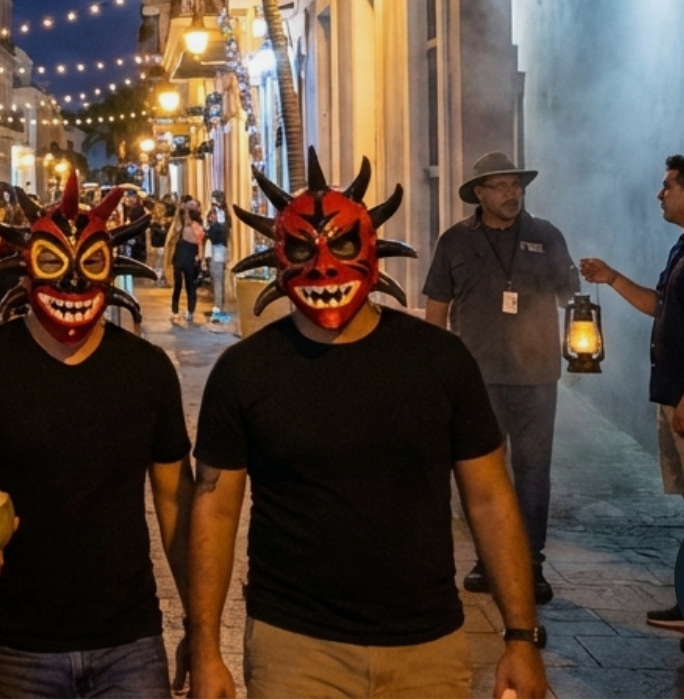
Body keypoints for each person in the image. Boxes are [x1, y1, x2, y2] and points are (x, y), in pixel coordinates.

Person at [189, 152, 547, 699]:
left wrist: (521, 636)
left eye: (344, 245)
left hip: (427, 646)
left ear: (372, 250)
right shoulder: (245, 371)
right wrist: (205, 645)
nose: (325, 266)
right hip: (295, 650)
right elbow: (215, 509)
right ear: (279, 257)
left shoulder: (440, 361)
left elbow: (490, 498)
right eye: (305, 249)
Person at [0, 177, 191, 698]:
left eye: (91, 264)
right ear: (27, 263)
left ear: (112, 266)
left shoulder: (146, 370)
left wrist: (203, 629)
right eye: (55, 263)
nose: (75, 284)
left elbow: (175, 502)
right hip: (14, 644)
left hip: (129, 641)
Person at [580, 153, 684, 653]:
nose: (661, 194)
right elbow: (663, 305)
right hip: (676, 398)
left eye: (667, 186)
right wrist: (612, 278)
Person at [421, 152, 576, 604]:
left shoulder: (546, 237)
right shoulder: (455, 241)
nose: (512, 194)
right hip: (476, 377)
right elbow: (437, 306)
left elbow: (571, 297)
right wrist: (433, 371)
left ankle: (529, 562)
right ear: (480, 194)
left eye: (517, 186)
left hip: (536, 375)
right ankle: (488, 558)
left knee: (533, 470)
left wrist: (585, 284)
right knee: (480, 472)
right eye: (501, 186)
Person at [169, 201, 206, 325]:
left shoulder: (186, 227)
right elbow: (200, 246)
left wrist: (183, 207)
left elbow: (181, 217)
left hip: (181, 258)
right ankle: (190, 312)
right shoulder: (199, 229)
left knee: (178, 286)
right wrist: (200, 258)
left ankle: (175, 311)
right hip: (189, 259)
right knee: (191, 287)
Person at [204, 192, 231, 321]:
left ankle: (218, 308)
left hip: (218, 250)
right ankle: (218, 306)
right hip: (218, 250)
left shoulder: (221, 219)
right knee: (217, 280)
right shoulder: (222, 218)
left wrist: (208, 230)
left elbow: (217, 235)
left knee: (218, 280)